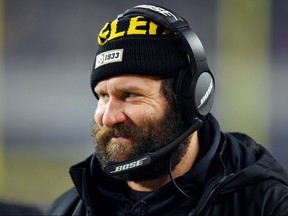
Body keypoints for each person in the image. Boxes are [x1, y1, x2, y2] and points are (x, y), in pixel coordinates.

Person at [46, 4, 288, 216]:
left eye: (130, 95)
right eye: (103, 96)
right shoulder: (66, 208)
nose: (108, 117)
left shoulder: (267, 204)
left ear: (190, 100)